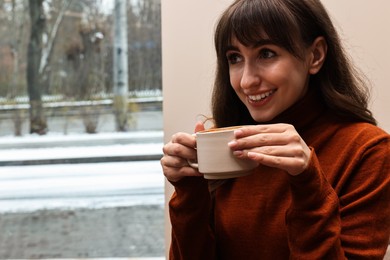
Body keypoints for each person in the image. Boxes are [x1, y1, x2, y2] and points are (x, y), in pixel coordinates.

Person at [160, 0, 390, 259]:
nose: (246, 81)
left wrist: (308, 182)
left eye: (266, 53)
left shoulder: (368, 150)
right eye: (234, 58)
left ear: (315, 55)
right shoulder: (225, 146)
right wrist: (189, 192)